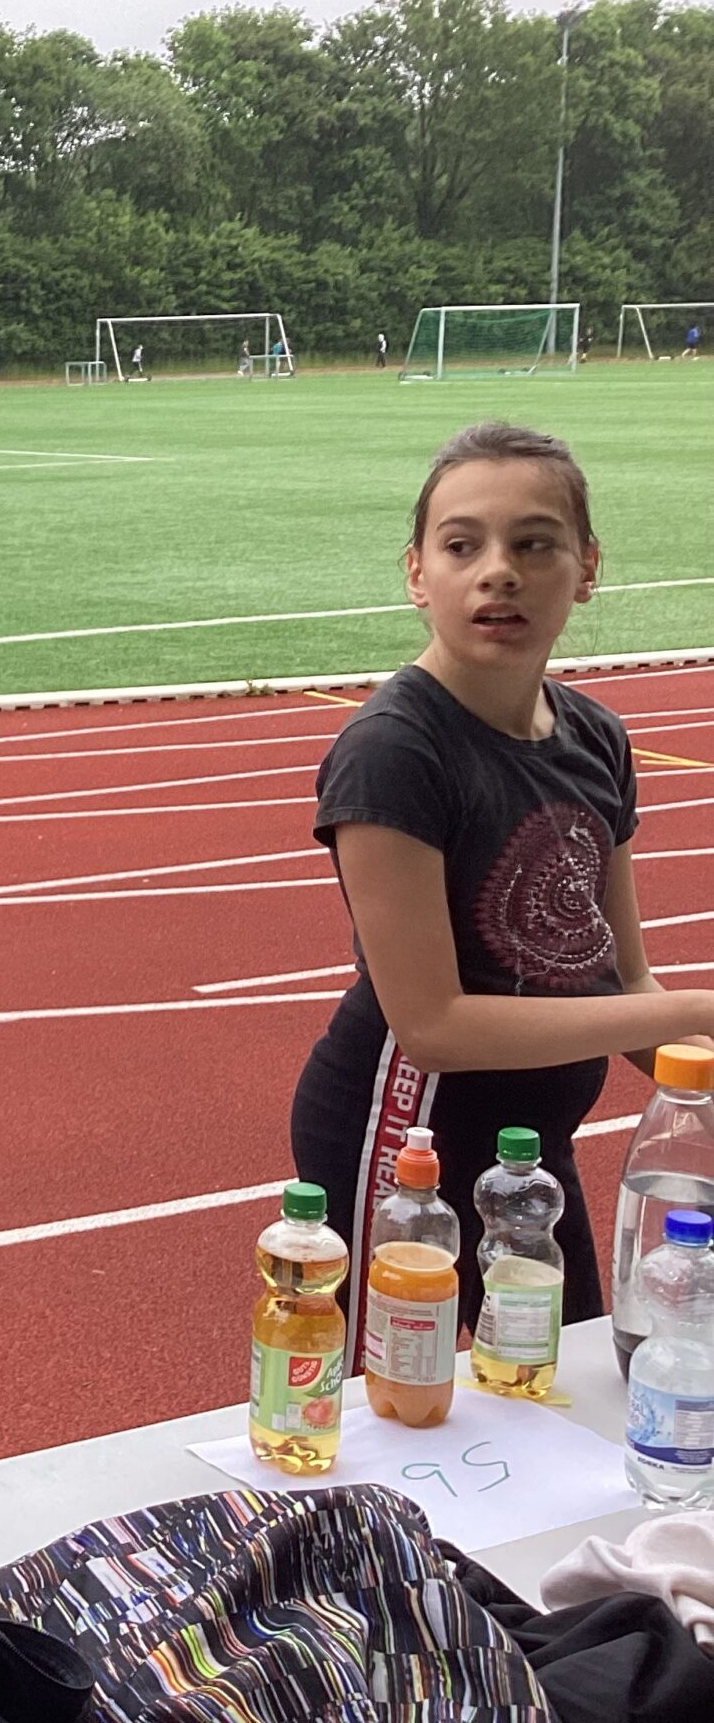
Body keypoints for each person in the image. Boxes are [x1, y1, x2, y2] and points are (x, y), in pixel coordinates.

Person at [289, 422, 714, 1359]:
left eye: (534, 544)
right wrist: (695, 1011)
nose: (499, 572)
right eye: (462, 545)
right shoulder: (395, 751)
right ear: (417, 574)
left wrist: (696, 1066)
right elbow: (432, 1024)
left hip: (533, 1154)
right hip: (405, 1145)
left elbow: (623, 983)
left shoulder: (596, 739)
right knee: (389, 1409)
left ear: (587, 567)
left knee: (561, 1384)